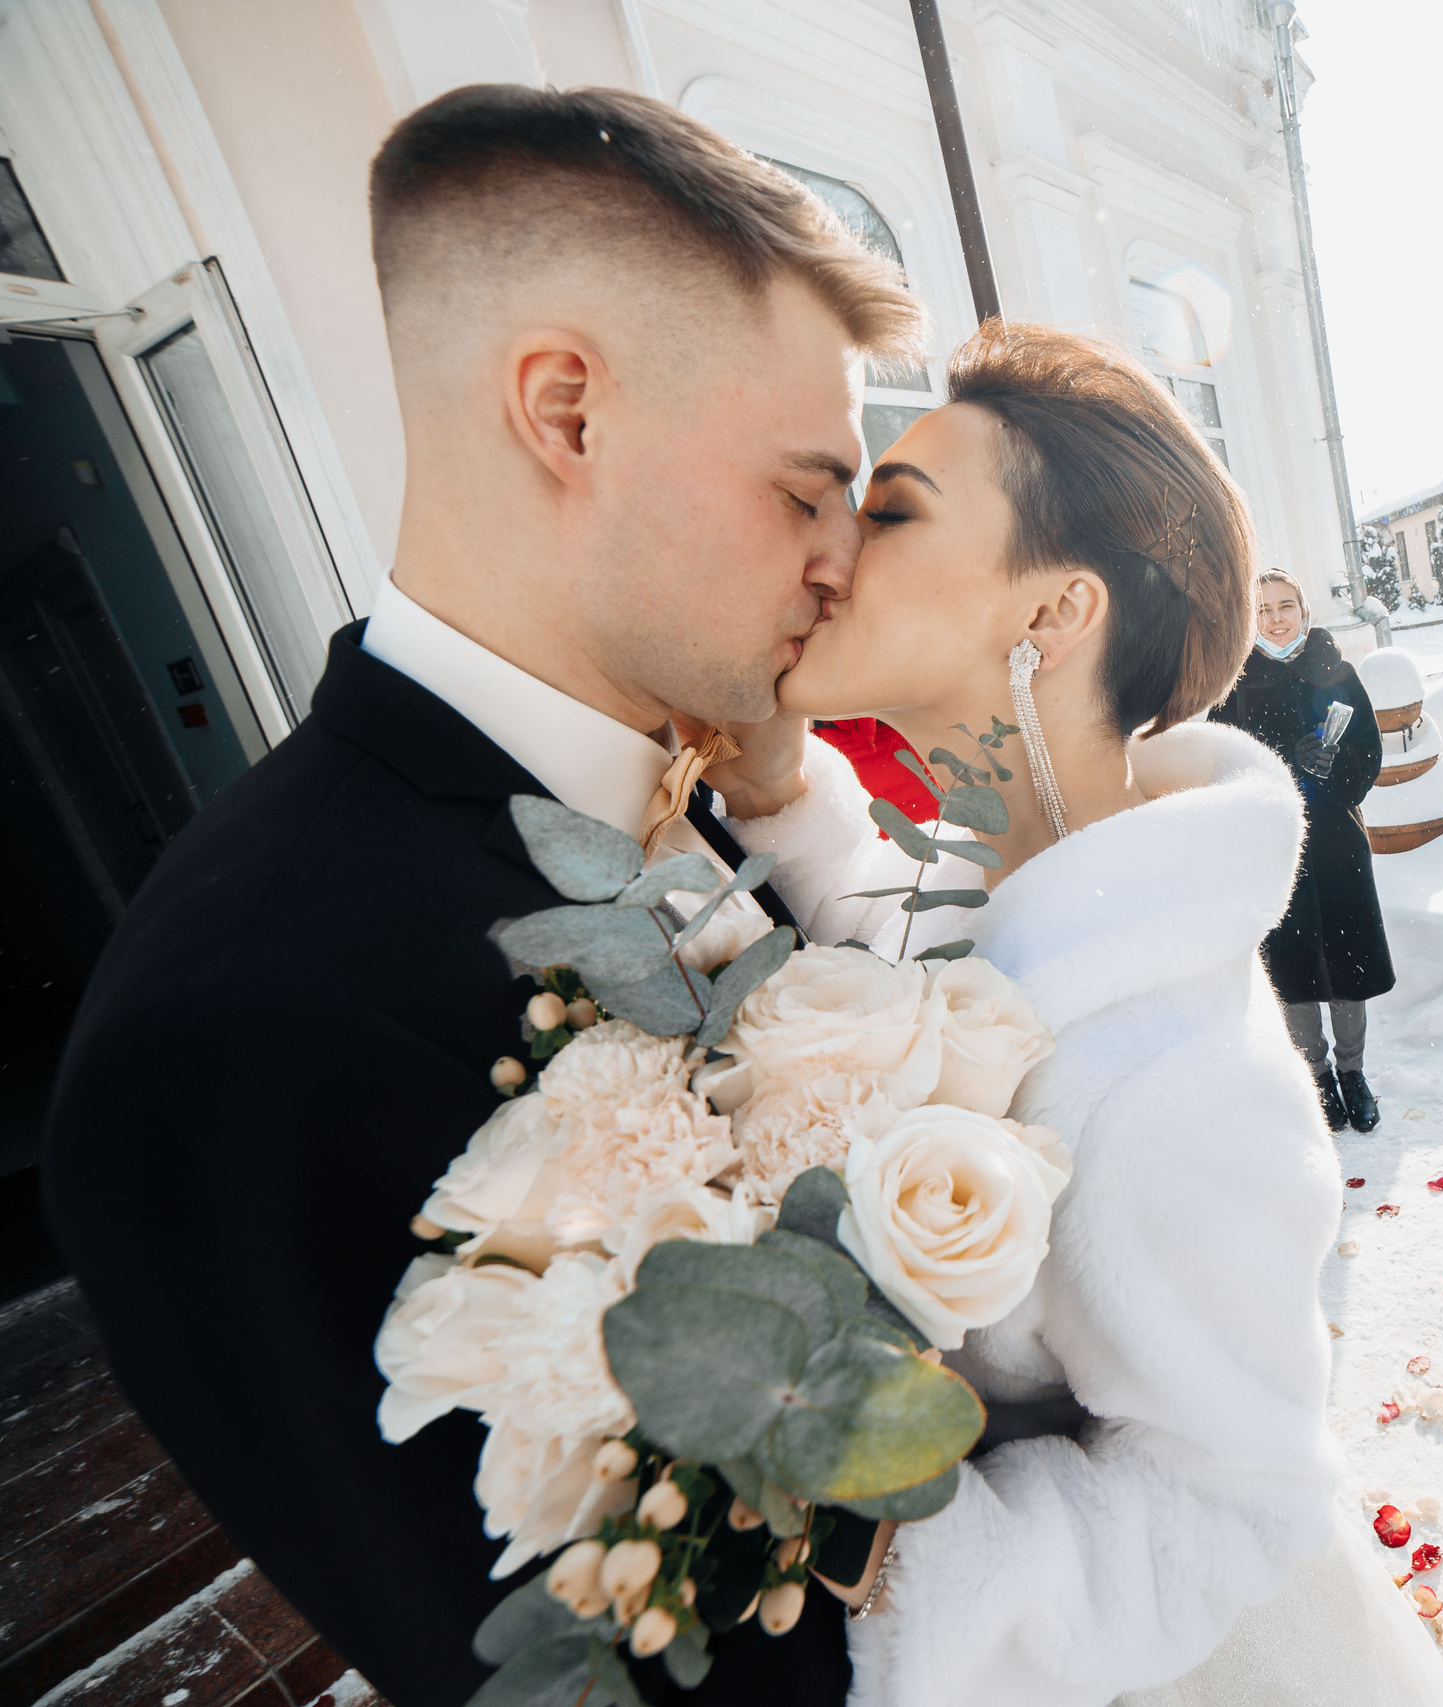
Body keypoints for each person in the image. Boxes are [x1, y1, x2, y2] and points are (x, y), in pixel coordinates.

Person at [43, 86, 931, 1707]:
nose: (839, 560)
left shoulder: (699, 800)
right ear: (567, 412)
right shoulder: (241, 1023)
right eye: (806, 490)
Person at [739, 321, 1443, 1706]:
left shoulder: (1179, 1078)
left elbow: (1234, 1505)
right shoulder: (1034, 898)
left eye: (890, 511)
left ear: (1054, 614)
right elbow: (946, 978)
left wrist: (890, 1539)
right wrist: (787, 793)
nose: (828, 549)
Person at [1205, 568, 1394, 1131]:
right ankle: (1316, 1076)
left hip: (1336, 842)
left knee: (1348, 964)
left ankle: (1354, 1073)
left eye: (1285, 605)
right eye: (1262, 609)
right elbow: (1223, 767)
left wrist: (1338, 768)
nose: (1276, 617)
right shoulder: (1232, 684)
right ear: (1248, 617)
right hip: (1273, 847)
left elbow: (1368, 754)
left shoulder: (1336, 671)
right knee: (1292, 967)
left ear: (1304, 611)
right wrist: (1287, 761)